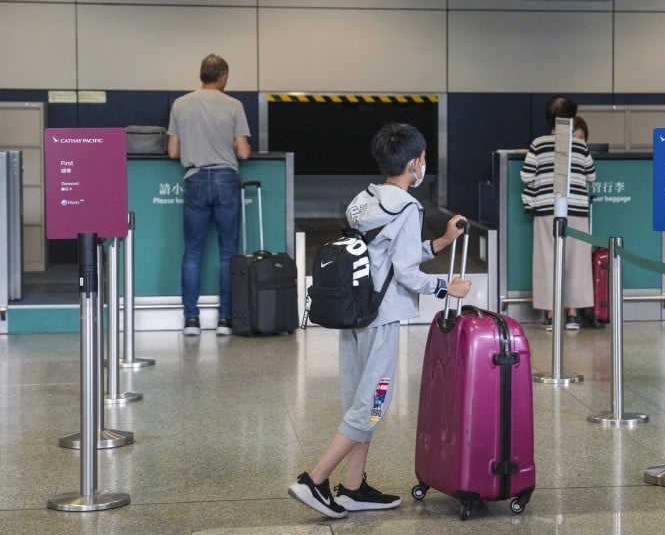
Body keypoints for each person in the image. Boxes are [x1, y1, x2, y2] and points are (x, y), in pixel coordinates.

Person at [288, 122, 470, 519]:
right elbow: (404, 273)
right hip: (381, 317)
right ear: (413, 163)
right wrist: (445, 287)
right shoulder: (407, 206)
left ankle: (353, 488)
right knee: (373, 405)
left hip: (355, 310)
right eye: (422, 159)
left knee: (360, 400)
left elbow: (387, 256)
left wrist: (440, 242)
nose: (423, 166)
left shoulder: (366, 199)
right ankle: (315, 480)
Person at [167, 54, 251, 337]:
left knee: (192, 252)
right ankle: (225, 320)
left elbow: (173, 151)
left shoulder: (180, 104)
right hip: (227, 180)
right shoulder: (234, 106)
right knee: (228, 253)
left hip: (196, 180)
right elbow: (243, 152)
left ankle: (191, 320)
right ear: (223, 76)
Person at [521, 96, 596, 331]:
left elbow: (526, 176)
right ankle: (573, 315)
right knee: (577, 262)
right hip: (576, 209)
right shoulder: (580, 145)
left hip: (546, 208)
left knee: (547, 261)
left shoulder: (538, 143)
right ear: (572, 120)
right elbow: (591, 176)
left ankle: (551, 315)